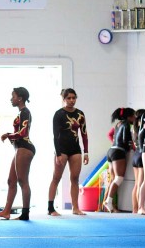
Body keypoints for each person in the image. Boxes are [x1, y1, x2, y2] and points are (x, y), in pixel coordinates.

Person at [0, 87, 35, 220]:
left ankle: (25, 213)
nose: (11, 99)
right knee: (11, 180)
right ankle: (6, 211)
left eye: (13, 96)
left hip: (25, 148)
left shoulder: (25, 112)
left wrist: (8, 135)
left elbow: (24, 133)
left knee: (23, 181)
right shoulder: (20, 113)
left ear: (20, 98)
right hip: (19, 149)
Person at [48, 88, 89, 216]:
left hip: (75, 149)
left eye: (73, 98)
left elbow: (84, 134)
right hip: (62, 149)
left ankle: (75, 207)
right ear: (64, 99)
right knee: (56, 177)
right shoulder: (59, 114)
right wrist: (58, 154)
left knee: (75, 178)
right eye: (68, 98)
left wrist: (86, 152)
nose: (71, 100)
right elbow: (55, 136)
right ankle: (50, 208)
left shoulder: (80, 114)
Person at [103, 107, 135, 213]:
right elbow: (127, 140)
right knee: (119, 178)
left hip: (111, 150)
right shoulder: (126, 124)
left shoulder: (118, 124)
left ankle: (108, 203)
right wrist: (133, 147)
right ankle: (108, 201)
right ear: (129, 116)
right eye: (133, 116)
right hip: (119, 152)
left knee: (113, 179)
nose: (135, 118)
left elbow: (111, 135)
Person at [131, 109, 145, 213]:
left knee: (136, 184)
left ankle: (134, 209)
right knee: (140, 184)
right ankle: (141, 208)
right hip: (141, 155)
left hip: (135, 155)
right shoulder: (143, 127)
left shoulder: (134, 127)